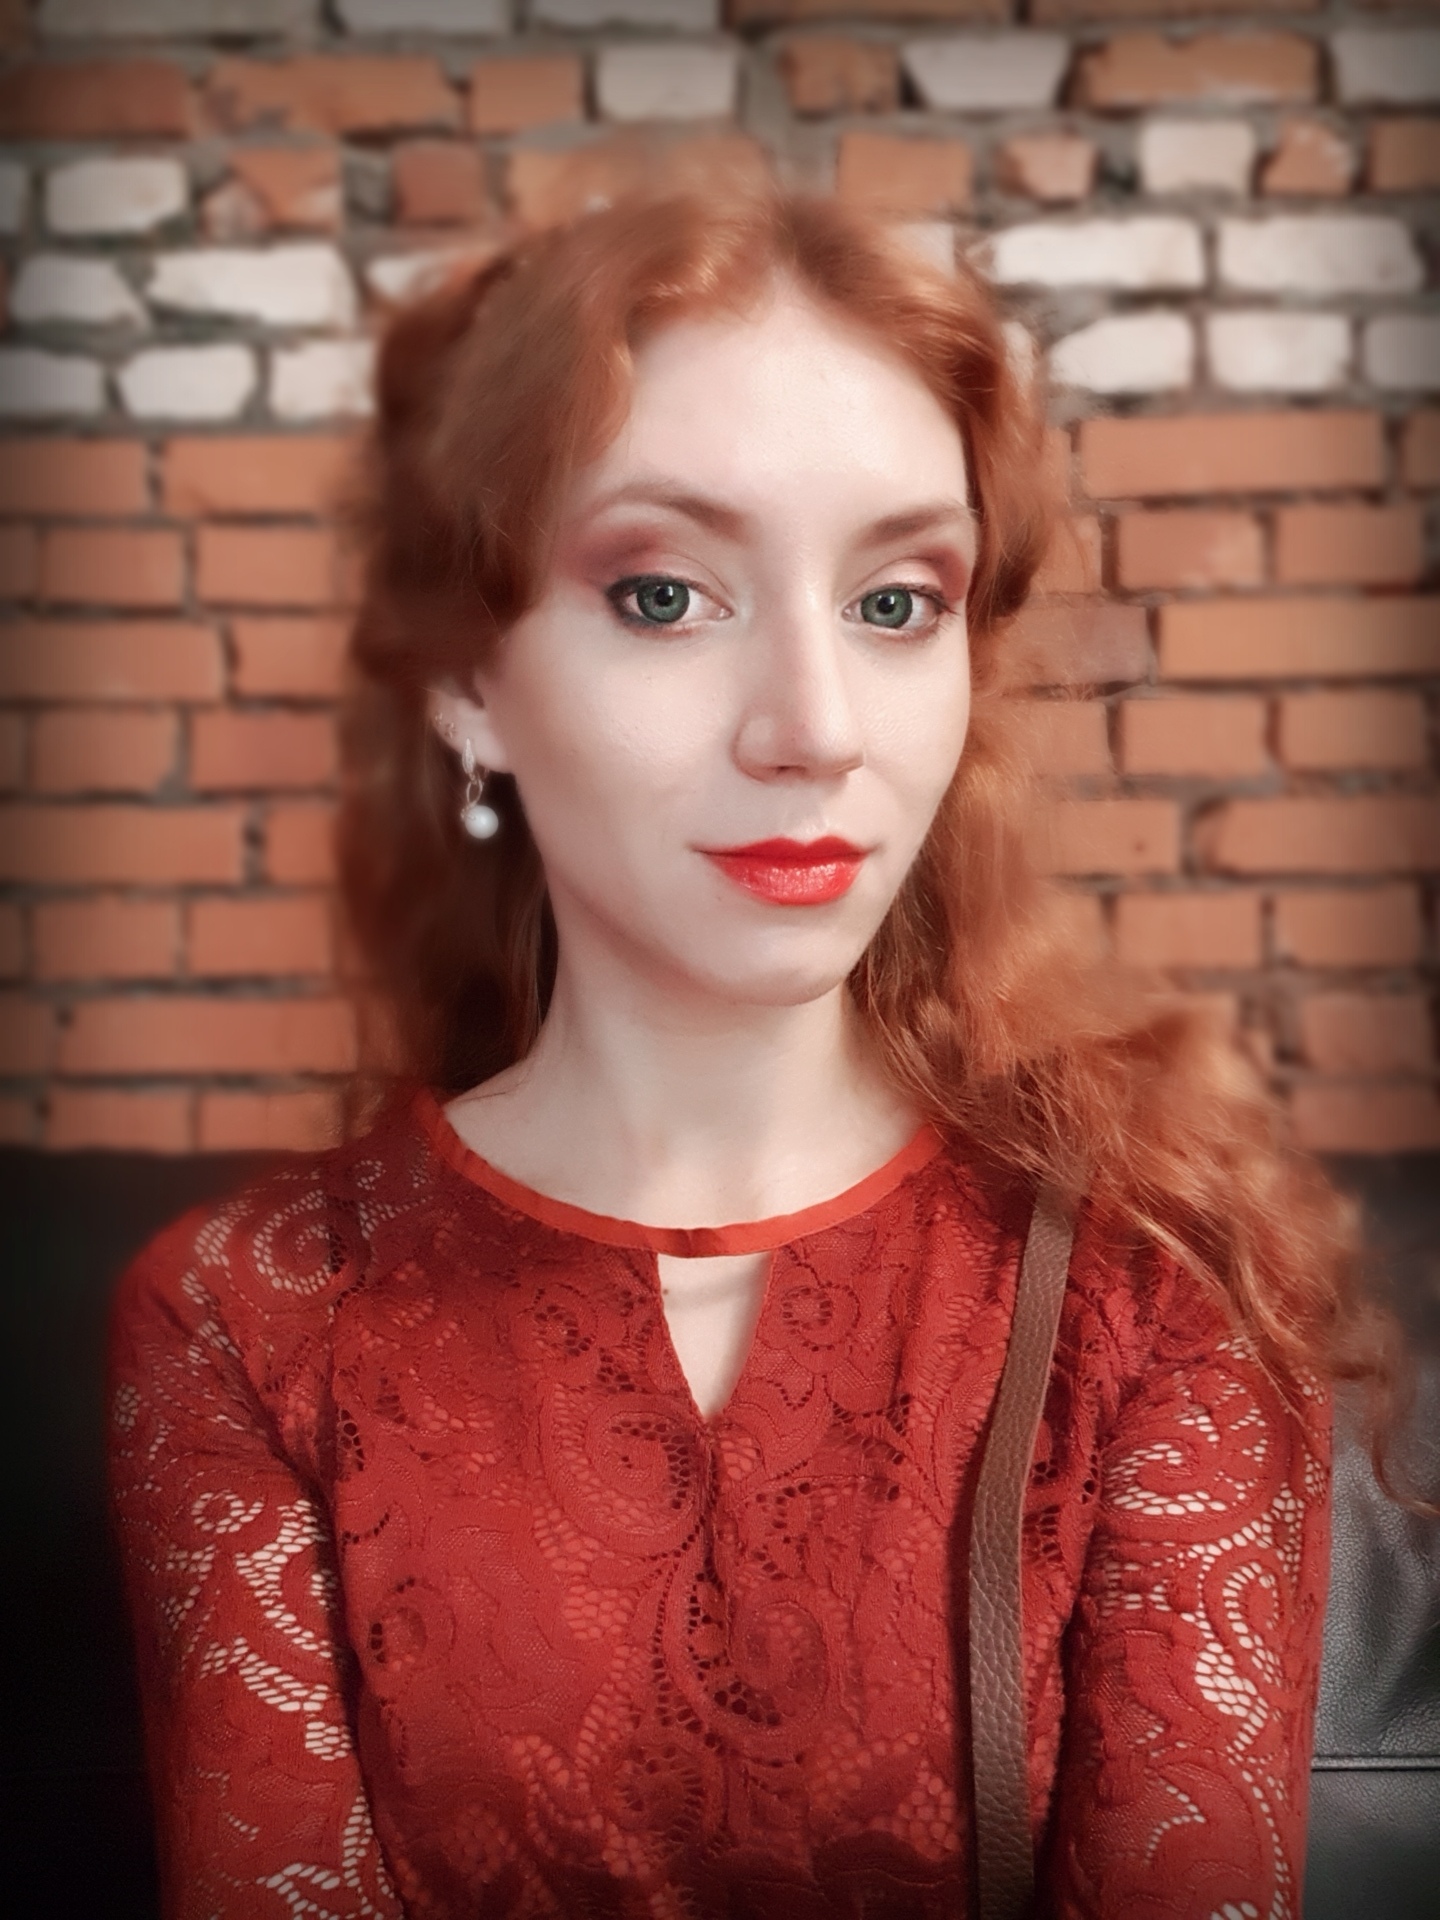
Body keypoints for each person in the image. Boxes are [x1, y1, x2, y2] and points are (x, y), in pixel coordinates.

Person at [108, 189, 1391, 1920]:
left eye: (896, 602)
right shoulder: (246, 1316)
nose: (816, 729)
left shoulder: (1160, 1287)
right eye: (664, 595)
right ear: (468, 681)